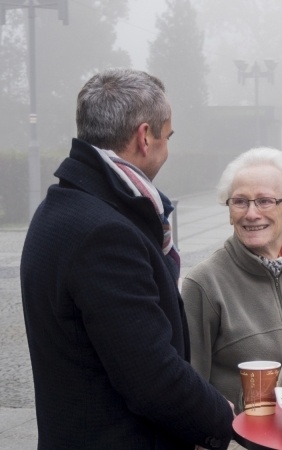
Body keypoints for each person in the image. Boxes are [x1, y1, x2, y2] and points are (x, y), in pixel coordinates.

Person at [19, 68, 233, 449]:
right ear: (144, 136)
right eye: (167, 137)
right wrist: (223, 418)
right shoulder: (105, 233)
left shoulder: (60, 207)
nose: (167, 148)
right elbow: (151, 377)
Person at [181, 147, 282, 413]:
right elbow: (189, 384)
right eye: (240, 201)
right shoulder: (204, 283)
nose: (251, 213)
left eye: (265, 201)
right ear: (229, 211)